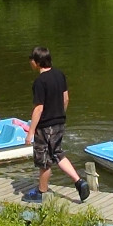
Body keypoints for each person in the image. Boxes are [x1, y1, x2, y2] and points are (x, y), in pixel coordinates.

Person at [22, 46, 90, 203]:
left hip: (45, 126)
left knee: (44, 160)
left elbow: (39, 108)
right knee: (57, 153)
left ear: (37, 62)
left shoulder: (39, 81)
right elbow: (65, 98)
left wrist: (30, 132)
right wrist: (60, 114)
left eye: (31, 60)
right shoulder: (60, 75)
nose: (30, 63)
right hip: (59, 122)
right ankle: (79, 182)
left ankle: (41, 193)